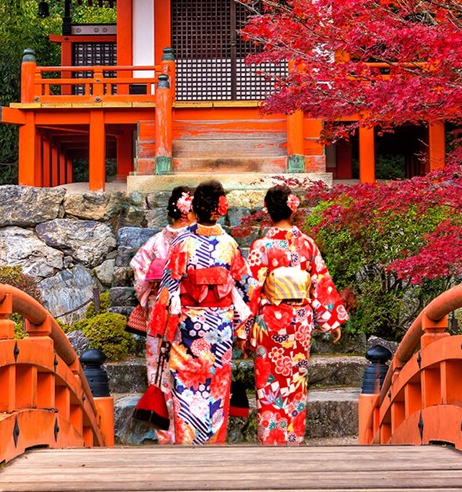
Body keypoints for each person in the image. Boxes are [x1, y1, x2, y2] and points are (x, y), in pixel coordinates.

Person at [148, 179, 254, 445]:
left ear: (196, 208)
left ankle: (188, 444)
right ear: (219, 210)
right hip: (220, 326)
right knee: (217, 388)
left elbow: (169, 287)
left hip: (188, 328)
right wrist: (244, 329)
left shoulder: (182, 243)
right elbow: (246, 287)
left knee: (187, 386)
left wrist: (161, 330)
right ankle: (214, 444)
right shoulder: (229, 245)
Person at [246, 185, 348, 445]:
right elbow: (319, 283)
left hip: (269, 320)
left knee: (269, 379)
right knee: (296, 379)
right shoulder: (307, 245)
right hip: (300, 320)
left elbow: (252, 291)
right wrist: (331, 319)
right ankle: (294, 436)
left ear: (267, 210)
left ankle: (271, 437)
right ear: (294, 209)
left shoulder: (261, 246)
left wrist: (244, 329)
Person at [129, 185, 194, 444]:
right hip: (193, 309)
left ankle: (167, 434)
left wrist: (151, 292)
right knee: (190, 368)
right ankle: (190, 432)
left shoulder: (156, 241)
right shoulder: (201, 242)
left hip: (160, 307)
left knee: (161, 369)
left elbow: (139, 270)